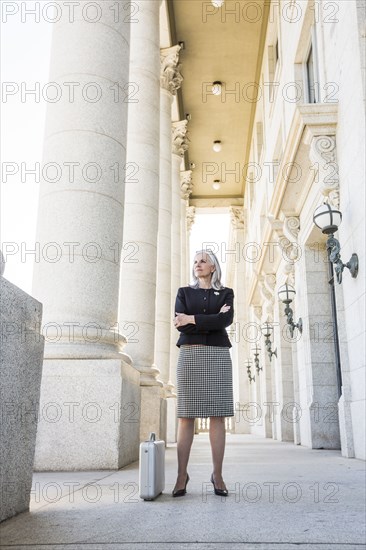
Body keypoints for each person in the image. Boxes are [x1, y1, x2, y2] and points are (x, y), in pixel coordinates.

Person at [172, 249, 235, 497]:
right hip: (189, 355)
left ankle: (217, 475)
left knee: (217, 415)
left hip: (218, 355)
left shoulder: (226, 293)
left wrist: (192, 318)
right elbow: (178, 321)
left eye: (203, 261)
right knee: (186, 416)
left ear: (213, 267)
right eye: (195, 261)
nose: (198, 264)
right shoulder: (183, 292)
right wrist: (208, 319)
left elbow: (225, 321)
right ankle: (181, 475)